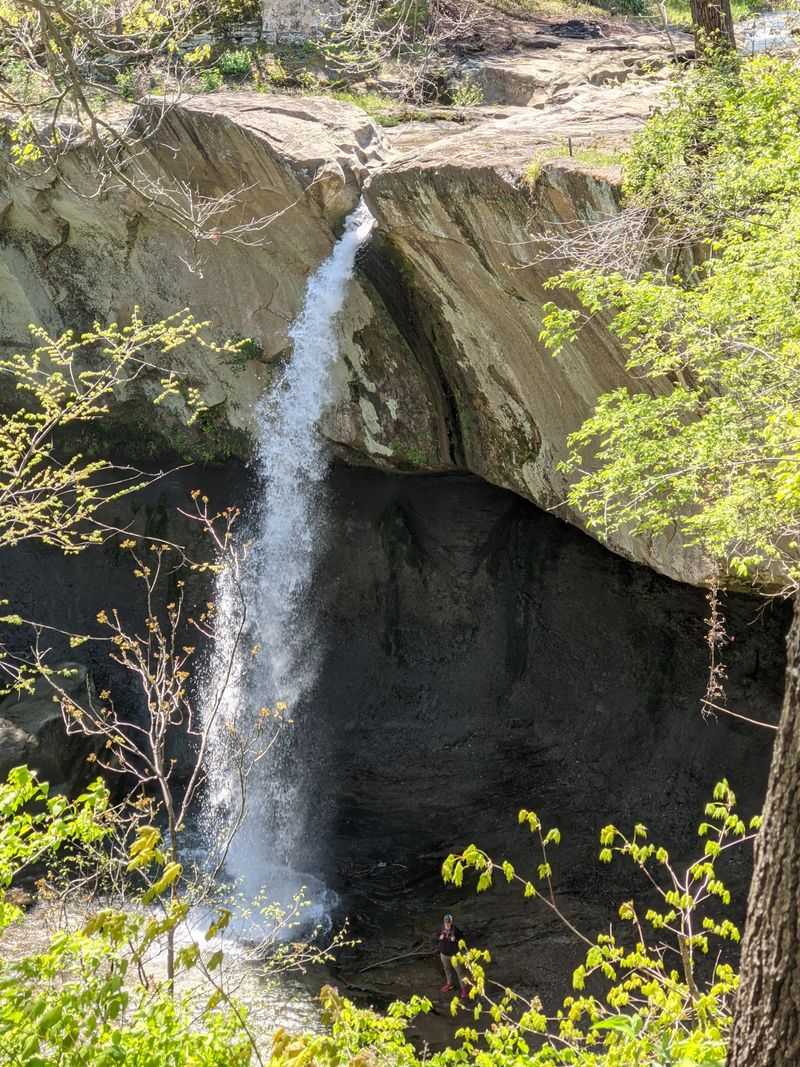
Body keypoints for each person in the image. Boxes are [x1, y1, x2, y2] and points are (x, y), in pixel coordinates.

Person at [435, 913, 468, 998]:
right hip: (444, 954)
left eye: (449, 922)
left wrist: (455, 939)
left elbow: (462, 939)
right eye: (446, 922)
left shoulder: (455, 930)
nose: (447, 924)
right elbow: (436, 936)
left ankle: (464, 989)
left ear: (451, 922)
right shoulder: (441, 928)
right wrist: (440, 937)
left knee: (460, 972)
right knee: (447, 969)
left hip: (454, 955)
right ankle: (449, 983)